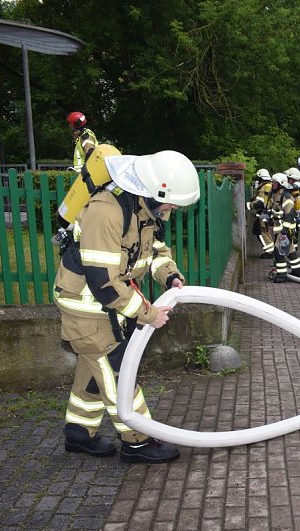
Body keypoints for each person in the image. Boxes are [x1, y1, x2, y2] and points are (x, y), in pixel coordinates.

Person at [53, 150, 200, 463]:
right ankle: (137, 441)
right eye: (172, 202)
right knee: (119, 371)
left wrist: (170, 275)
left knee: (94, 371)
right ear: (153, 191)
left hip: (106, 302)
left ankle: (79, 433)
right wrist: (149, 314)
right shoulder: (106, 211)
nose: (173, 210)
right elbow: (104, 281)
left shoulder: (145, 210)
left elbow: (155, 251)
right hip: (86, 304)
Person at [270, 172, 300, 282]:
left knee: (278, 251)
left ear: (280, 183)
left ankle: (282, 274)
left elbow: (289, 214)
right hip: (282, 228)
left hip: (285, 229)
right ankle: (298, 270)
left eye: (274, 182)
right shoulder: (277, 194)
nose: (272, 184)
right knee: (290, 251)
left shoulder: (286, 196)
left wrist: (285, 230)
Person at [247, 168, 275, 258]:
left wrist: (247, 205)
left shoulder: (264, 187)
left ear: (260, 178)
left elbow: (259, 203)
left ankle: (270, 252)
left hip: (264, 214)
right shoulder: (269, 185)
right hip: (267, 213)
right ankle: (271, 250)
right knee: (262, 231)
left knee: (262, 232)